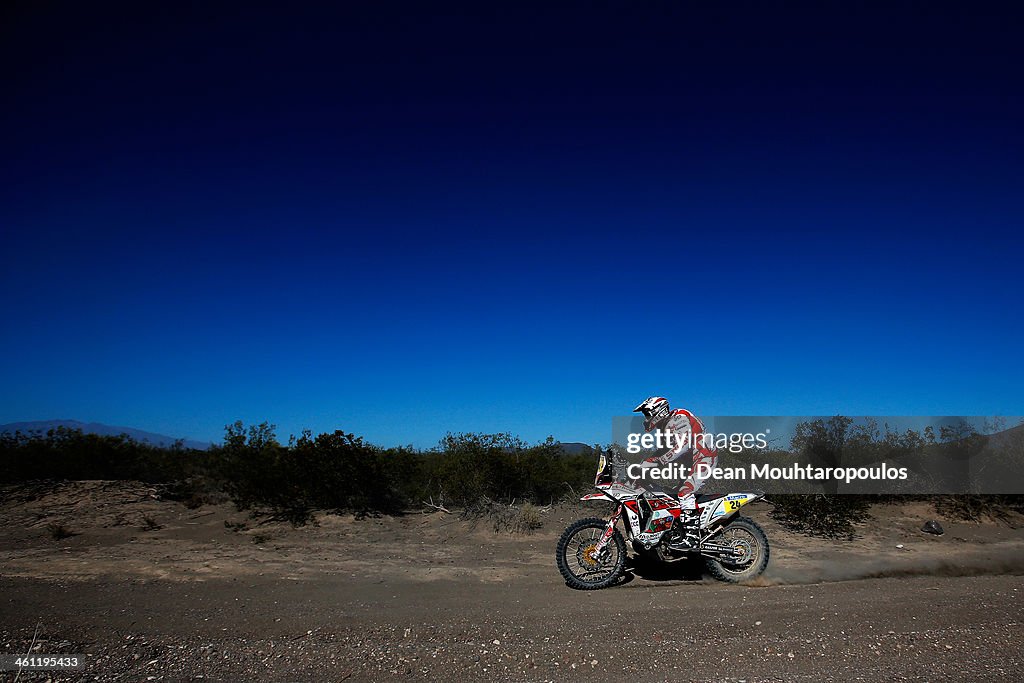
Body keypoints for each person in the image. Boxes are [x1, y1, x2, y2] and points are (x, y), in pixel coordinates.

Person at [633, 396, 718, 545]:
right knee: (672, 497)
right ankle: (680, 532)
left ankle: (692, 537)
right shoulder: (665, 426)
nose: (646, 418)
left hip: (704, 458)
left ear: (657, 410)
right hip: (690, 462)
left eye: (647, 414)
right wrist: (640, 467)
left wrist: (658, 462)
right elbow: (662, 451)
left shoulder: (679, 417)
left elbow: (682, 446)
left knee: (685, 492)